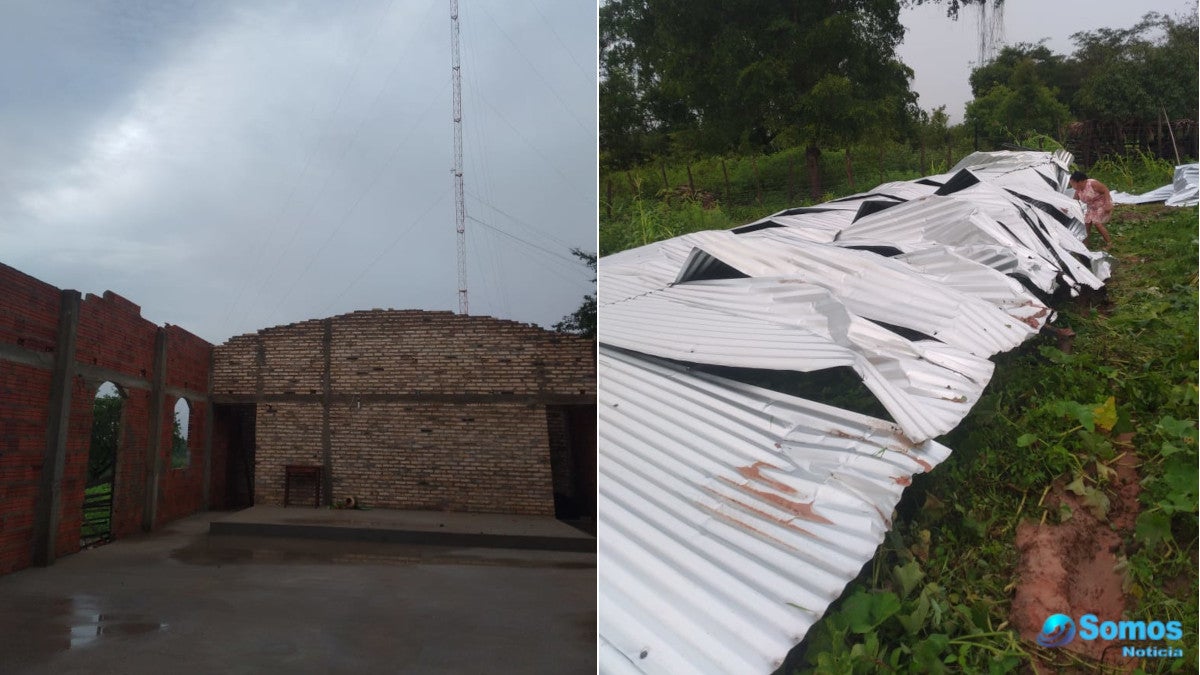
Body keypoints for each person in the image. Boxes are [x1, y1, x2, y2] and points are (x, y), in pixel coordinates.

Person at [1068, 170, 1113, 246]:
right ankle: (1085, 243)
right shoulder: (1078, 190)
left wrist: (1108, 203)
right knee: (1087, 224)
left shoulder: (1092, 184)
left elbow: (1105, 190)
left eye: (1073, 183)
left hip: (1102, 204)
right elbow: (1074, 201)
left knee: (1097, 223)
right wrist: (1068, 208)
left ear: (1080, 182)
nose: (1072, 186)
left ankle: (1109, 243)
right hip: (1091, 207)